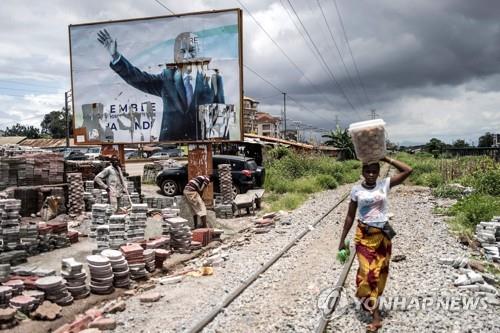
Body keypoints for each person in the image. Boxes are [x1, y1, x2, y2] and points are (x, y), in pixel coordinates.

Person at [97, 29, 225, 141]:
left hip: (201, 147)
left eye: (191, 51)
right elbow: (138, 78)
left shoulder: (213, 79)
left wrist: (222, 148)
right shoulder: (167, 78)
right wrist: (116, 56)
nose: (186, 56)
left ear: (199, 53)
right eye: (182, 51)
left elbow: (220, 119)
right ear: (176, 56)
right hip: (170, 147)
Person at [338, 156, 412, 332]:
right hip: (364, 236)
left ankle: (372, 303)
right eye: (367, 171)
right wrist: (342, 240)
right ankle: (376, 318)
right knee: (369, 275)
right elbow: (350, 216)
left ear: (379, 172)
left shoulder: (384, 185)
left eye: (374, 171)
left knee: (379, 274)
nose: (371, 174)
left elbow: (408, 170)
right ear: (362, 172)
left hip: (382, 236)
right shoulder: (356, 190)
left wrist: (386, 158)